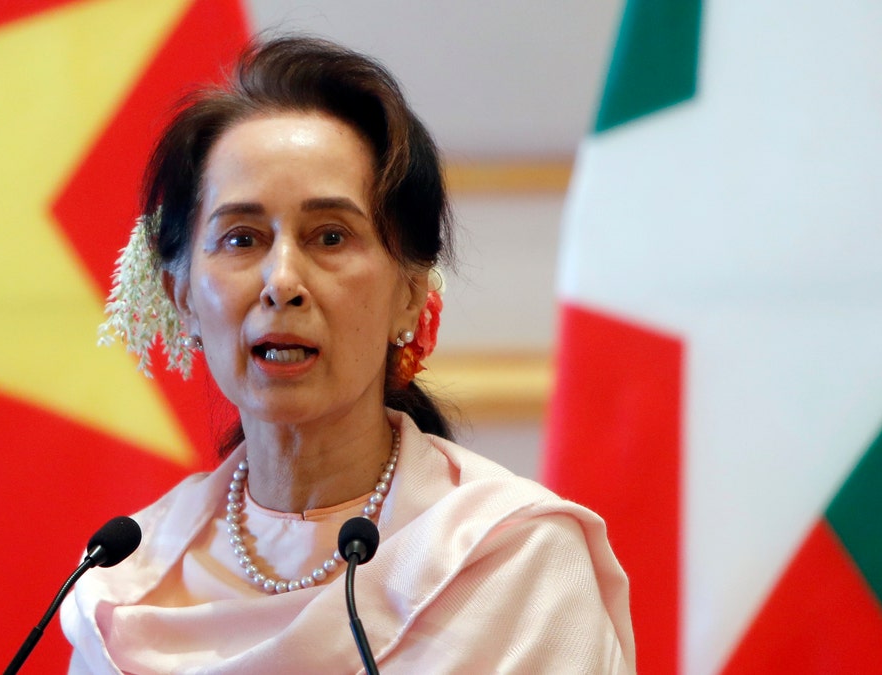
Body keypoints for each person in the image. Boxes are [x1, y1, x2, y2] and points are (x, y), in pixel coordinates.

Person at [63, 36, 635, 673]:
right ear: (182, 296)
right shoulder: (128, 582)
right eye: (241, 238)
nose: (282, 281)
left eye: (330, 236)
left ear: (410, 296)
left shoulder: (514, 565)